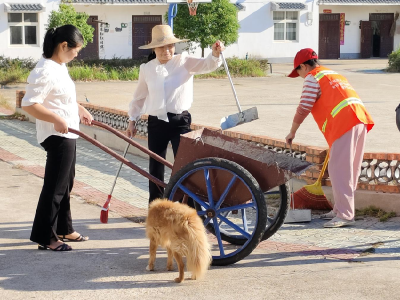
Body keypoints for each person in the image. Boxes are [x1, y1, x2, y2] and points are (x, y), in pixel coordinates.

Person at [126, 25, 224, 203]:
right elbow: (139, 97)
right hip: (156, 123)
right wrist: (132, 119)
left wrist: (215, 53)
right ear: (154, 48)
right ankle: (155, 206)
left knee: (185, 166)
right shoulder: (147, 69)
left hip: (180, 122)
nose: (167, 50)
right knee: (155, 165)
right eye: (162, 47)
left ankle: (189, 205)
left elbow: (207, 64)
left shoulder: (184, 61)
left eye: (170, 46)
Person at [22, 25, 93, 251]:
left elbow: (61, 97)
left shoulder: (59, 66)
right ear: (63, 46)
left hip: (68, 132)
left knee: (66, 183)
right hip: (56, 135)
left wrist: (79, 108)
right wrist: (55, 119)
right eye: (76, 50)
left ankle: (64, 227)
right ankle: (46, 236)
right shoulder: (45, 70)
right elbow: (29, 104)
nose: (77, 55)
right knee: (55, 187)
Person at [285, 48, 374, 228]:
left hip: (345, 123)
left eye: (299, 72)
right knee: (349, 169)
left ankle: (345, 215)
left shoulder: (313, 77)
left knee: (339, 170)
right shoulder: (333, 74)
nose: (300, 76)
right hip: (360, 119)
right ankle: (340, 209)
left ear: (304, 66)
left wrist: (292, 132)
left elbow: (304, 107)